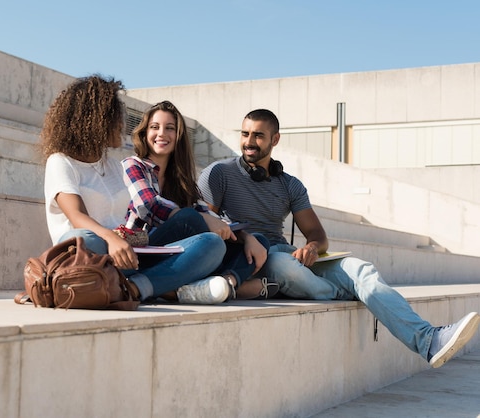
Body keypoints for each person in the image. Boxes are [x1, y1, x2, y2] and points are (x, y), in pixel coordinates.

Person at [198, 108, 480, 368]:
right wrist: (244, 237)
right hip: (254, 258)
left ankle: (428, 341)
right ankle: (346, 292)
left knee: (360, 268)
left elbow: (318, 234)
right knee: (283, 266)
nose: (249, 141)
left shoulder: (290, 185)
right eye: (245, 133)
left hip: (285, 253)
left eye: (258, 135)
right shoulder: (219, 174)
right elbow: (206, 226)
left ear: (275, 139)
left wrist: (311, 247)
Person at [39, 75, 228, 305]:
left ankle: (133, 288)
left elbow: (133, 216)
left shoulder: (112, 164)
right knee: (83, 238)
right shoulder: (61, 161)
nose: (122, 122)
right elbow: (76, 216)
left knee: (212, 243)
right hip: (89, 255)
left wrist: (134, 240)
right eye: (116, 116)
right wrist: (112, 239)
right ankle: (163, 287)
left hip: (127, 254)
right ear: (95, 120)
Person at [122, 100, 278, 302]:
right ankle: (144, 286)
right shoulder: (133, 164)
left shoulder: (183, 179)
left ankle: (226, 284)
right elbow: (148, 205)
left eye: (170, 128)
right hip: (144, 253)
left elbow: (209, 216)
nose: (161, 133)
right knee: (191, 219)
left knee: (258, 240)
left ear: (178, 136)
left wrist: (245, 237)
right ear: (144, 133)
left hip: (180, 254)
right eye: (155, 127)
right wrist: (202, 219)